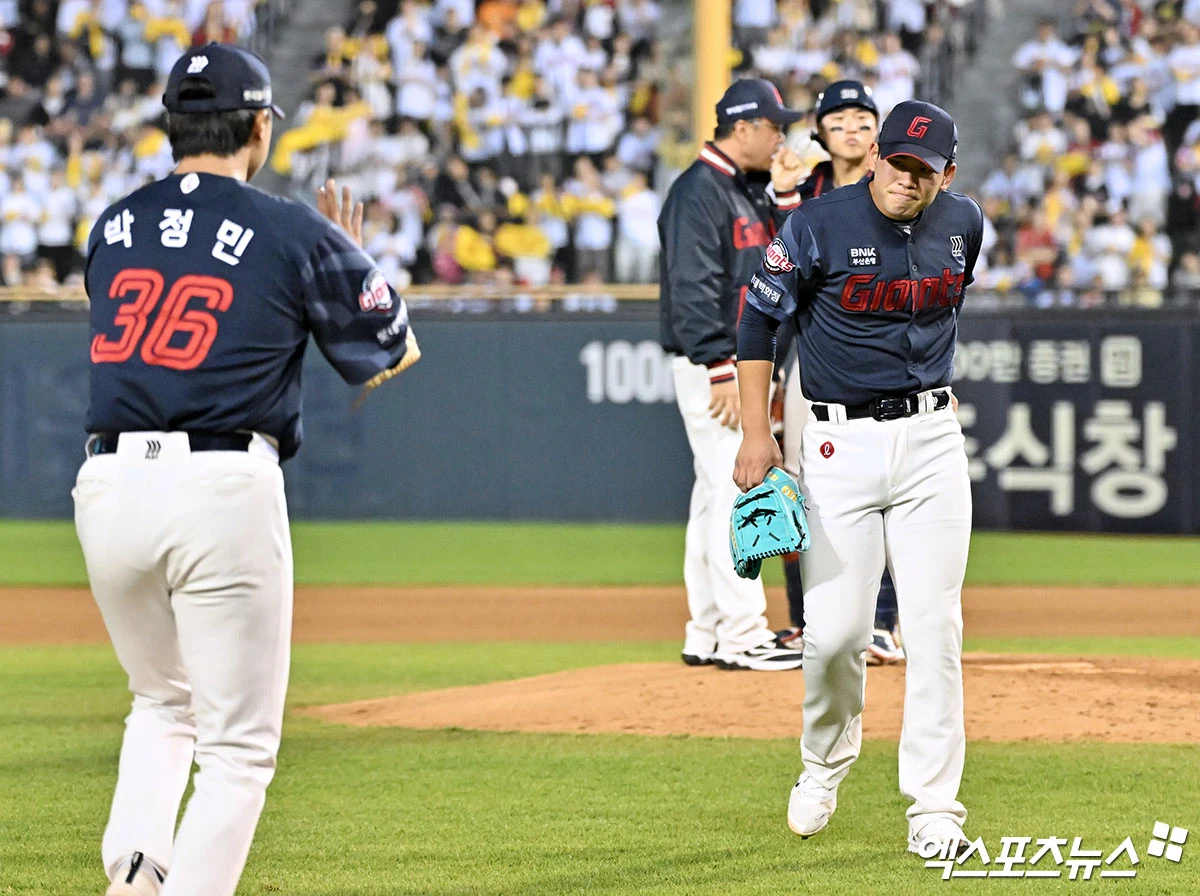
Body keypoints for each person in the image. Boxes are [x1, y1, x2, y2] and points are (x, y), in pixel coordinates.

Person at [74, 43, 416, 896]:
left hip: (108, 486)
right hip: (220, 485)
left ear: (169, 127)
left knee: (160, 702)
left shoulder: (110, 226)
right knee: (237, 748)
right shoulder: (290, 226)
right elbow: (384, 353)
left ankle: (134, 878)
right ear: (259, 126)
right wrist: (349, 253)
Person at [732, 100, 982, 857]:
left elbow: (943, 308)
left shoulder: (964, 224)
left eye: (922, 169)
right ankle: (824, 763)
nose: (905, 179)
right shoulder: (816, 225)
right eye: (896, 161)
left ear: (947, 173)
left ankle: (935, 807)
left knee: (934, 628)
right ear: (875, 156)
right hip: (838, 445)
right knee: (836, 633)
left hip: (932, 440)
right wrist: (758, 434)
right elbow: (756, 325)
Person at [657, 77, 807, 671]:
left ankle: (709, 629)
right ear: (743, 128)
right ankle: (744, 633)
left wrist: (785, 195)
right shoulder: (698, 191)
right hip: (717, 363)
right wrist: (721, 366)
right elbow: (693, 288)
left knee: (712, 492)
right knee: (735, 485)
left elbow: (781, 262)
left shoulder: (740, 189)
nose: (781, 136)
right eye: (774, 126)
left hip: (734, 362)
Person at [774, 80, 904, 666]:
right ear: (820, 133)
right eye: (838, 119)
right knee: (801, 489)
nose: (851, 128)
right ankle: (808, 622)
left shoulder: (902, 182)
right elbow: (772, 277)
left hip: (892, 352)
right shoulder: (802, 189)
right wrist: (781, 194)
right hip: (813, 348)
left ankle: (880, 621)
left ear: (878, 130)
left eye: (862, 118)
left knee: (894, 483)